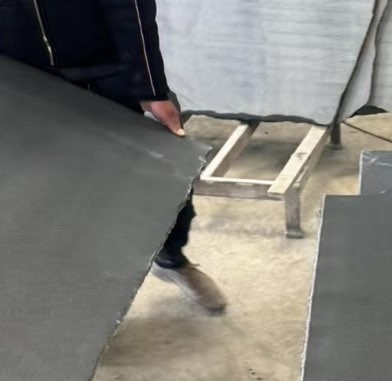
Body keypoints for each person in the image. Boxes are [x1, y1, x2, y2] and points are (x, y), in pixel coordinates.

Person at [0, 0, 226, 313]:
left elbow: (131, 5)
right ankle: (82, 309)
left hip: (104, 71)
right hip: (24, 79)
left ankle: (171, 258)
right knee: (51, 199)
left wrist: (150, 88)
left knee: (160, 180)